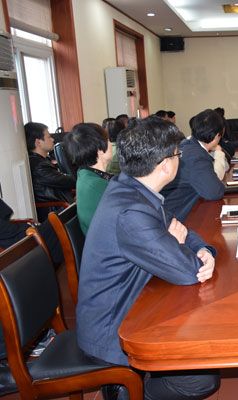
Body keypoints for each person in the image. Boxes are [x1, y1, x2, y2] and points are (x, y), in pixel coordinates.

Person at [76, 117, 220, 400]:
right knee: (201, 379)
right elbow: (187, 271)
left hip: (131, 301)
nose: (180, 160)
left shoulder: (132, 187)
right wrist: (183, 248)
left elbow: (181, 229)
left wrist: (205, 250)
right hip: (112, 328)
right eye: (178, 155)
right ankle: (131, 392)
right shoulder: (131, 211)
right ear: (165, 165)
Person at [162, 110, 226, 221]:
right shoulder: (196, 156)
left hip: (174, 210)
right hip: (174, 218)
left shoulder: (187, 145)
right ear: (217, 136)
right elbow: (214, 192)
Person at [63, 123, 113, 235]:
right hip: (107, 242)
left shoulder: (85, 174)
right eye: (108, 140)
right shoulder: (96, 185)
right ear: (100, 150)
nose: (111, 144)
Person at [25, 122, 75, 221]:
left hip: (62, 205)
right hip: (57, 211)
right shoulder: (38, 165)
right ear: (38, 142)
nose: (53, 139)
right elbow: (69, 181)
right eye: (49, 137)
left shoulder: (41, 160)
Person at [0, 198, 63, 264]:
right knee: (58, 221)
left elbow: (6, 213)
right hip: (19, 243)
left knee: (60, 217)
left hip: (23, 234)